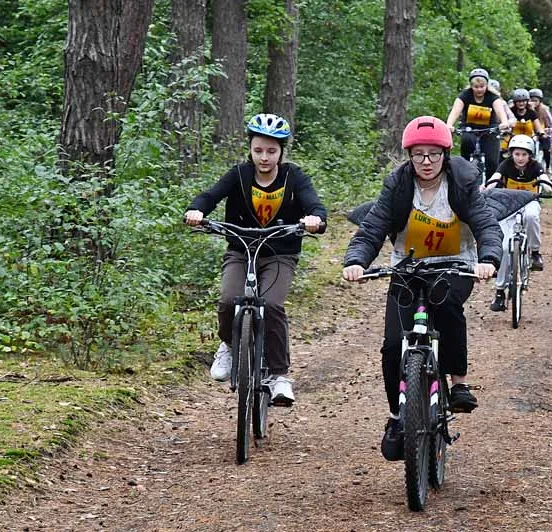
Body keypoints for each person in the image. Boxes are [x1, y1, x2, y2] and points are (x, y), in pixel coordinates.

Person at [342, 116, 502, 461]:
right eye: (418, 155)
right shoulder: (398, 185)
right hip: (408, 265)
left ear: (445, 153)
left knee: (446, 307)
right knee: (391, 346)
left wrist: (488, 257)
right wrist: (356, 260)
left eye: (433, 154)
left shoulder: (462, 182)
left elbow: (486, 222)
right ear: (409, 156)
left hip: (456, 264)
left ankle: (458, 383)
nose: (426, 162)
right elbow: (373, 227)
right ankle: (399, 416)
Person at [184, 113, 327, 406]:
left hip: (280, 254)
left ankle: (279, 376)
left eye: (272, 151)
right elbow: (210, 196)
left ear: (281, 152)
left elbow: (314, 203)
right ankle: (227, 344)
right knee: (228, 300)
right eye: (258, 150)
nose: (264, 157)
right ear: (250, 149)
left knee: (272, 305)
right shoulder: (238, 175)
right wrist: (196, 211)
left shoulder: (294, 177)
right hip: (240, 250)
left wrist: (315, 218)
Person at [483, 135, 552, 311]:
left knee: (532, 217)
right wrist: (487, 188)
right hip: (508, 205)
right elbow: (496, 177)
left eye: (524, 154)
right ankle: (500, 291)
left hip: (529, 202)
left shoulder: (535, 166)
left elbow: (544, 179)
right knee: (502, 248)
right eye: (517, 154)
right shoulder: (506, 165)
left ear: (530, 155)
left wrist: (551, 188)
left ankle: (535, 252)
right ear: (512, 154)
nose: (520, 158)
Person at [445, 68, 510, 178]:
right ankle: (465, 178)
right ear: (471, 86)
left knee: (492, 161)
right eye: (476, 87)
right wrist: (449, 125)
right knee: (466, 144)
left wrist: (504, 122)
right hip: (469, 128)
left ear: (487, 85)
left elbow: (500, 111)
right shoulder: (465, 95)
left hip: (489, 129)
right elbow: (455, 110)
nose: (479, 90)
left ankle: (491, 186)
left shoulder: (493, 97)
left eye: (482, 87)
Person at [528, 88, 552, 176]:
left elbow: (551, 125)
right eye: (531, 100)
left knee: (546, 148)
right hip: (529, 133)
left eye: (535, 101)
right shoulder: (526, 109)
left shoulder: (544, 110)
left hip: (542, 133)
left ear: (540, 101)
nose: (533, 103)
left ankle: (548, 167)